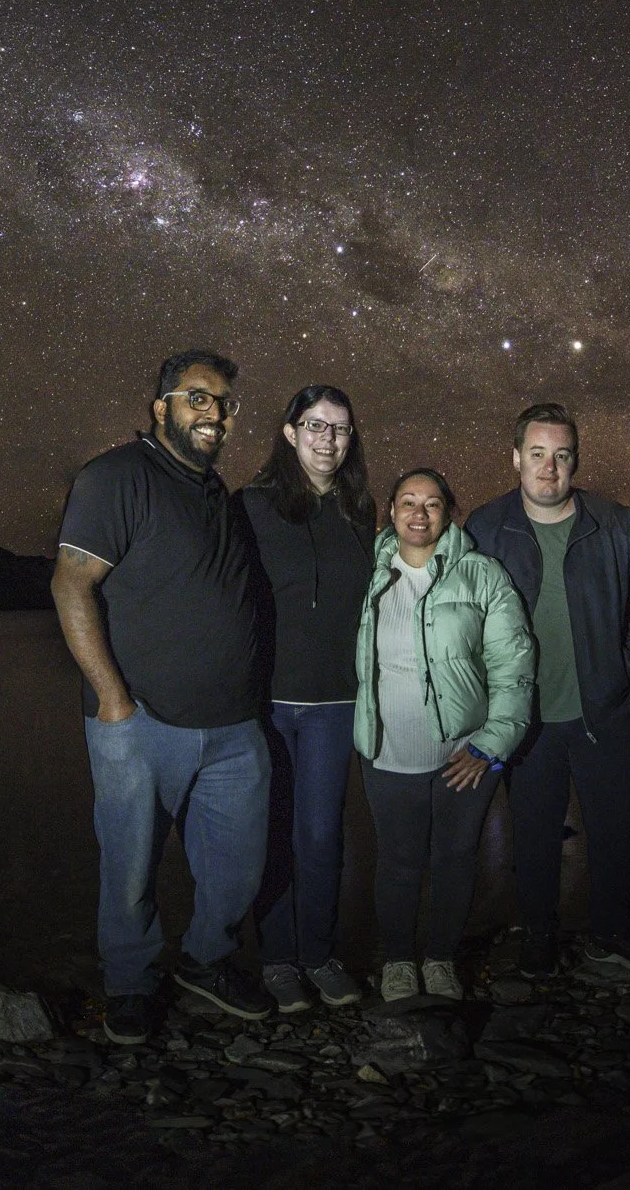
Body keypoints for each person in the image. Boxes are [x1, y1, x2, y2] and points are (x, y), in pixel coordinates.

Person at [53, 349, 276, 1045]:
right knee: (130, 868)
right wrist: (113, 699)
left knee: (238, 866)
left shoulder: (212, 489)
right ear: (162, 408)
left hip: (235, 726)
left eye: (224, 403)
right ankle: (129, 981)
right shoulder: (116, 476)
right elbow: (70, 584)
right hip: (142, 721)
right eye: (197, 399)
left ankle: (207, 959)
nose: (214, 413)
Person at [465, 402, 630, 983]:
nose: (549, 468)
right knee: (533, 838)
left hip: (605, 713)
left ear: (575, 460)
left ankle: (608, 936)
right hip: (527, 719)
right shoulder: (485, 528)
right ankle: (538, 938)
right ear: (515, 458)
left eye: (561, 456)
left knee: (613, 831)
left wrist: (628, 661)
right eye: (537, 454)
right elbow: (457, 613)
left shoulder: (615, 523)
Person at [354, 468, 535, 1002]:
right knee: (398, 862)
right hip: (386, 752)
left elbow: (514, 664)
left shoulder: (482, 574)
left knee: (457, 858)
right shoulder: (366, 572)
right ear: (390, 511)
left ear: (449, 513)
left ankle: (439, 959)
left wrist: (492, 744)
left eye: (432, 504)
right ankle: (398, 962)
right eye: (407, 502)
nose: (418, 513)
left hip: (465, 755)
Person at [239, 385, 374, 1013]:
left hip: (333, 702)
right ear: (290, 433)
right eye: (315, 427)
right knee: (272, 832)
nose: (328, 440)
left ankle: (318, 954)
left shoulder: (360, 511)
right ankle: (275, 961)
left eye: (341, 430)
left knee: (321, 835)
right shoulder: (251, 507)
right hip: (265, 700)